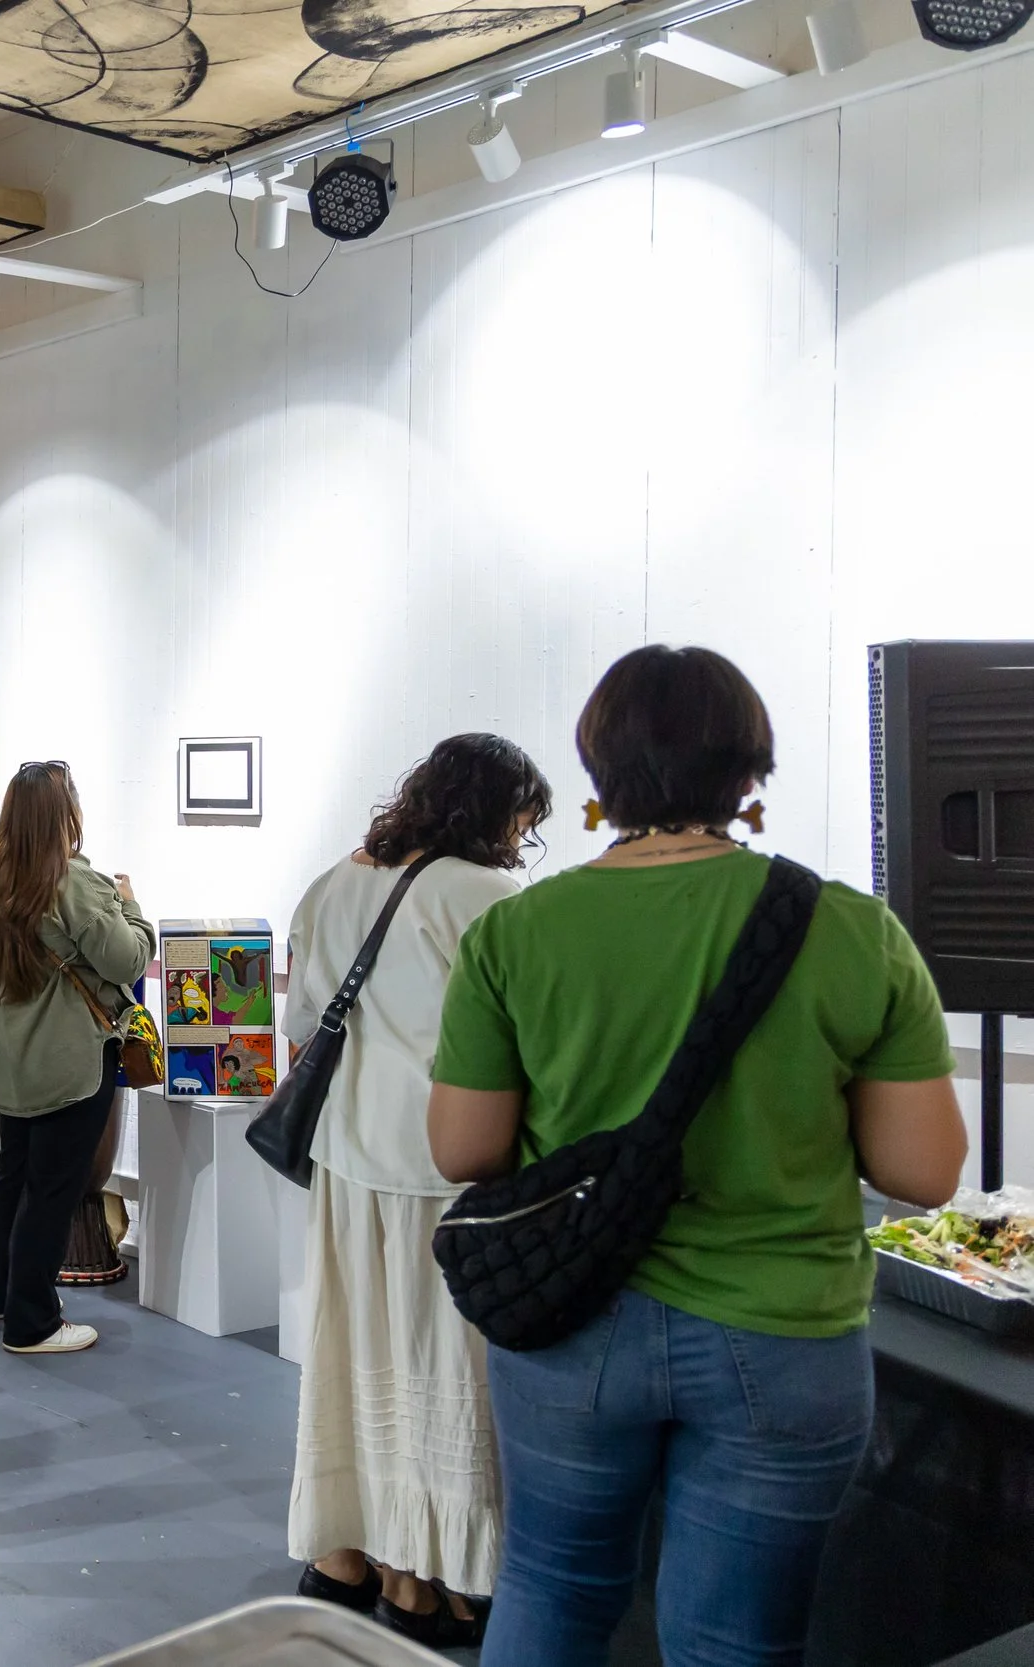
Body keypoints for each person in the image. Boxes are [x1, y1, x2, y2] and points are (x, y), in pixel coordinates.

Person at [428, 646, 968, 1667]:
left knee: (551, 1584)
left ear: (598, 769)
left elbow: (465, 1148)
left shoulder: (514, 932)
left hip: (571, 1314)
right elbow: (923, 1172)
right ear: (748, 770)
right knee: (733, 1642)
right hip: (784, 1331)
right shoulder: (854, 930)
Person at [285, 733, 553, 1648]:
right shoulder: (485, 897)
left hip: (344, 1159)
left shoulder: (335, 881)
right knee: (440, 1371)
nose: (522, 840)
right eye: (523, 820)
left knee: (350, 1355)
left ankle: (342, 1554)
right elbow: (524, 1038)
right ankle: (425, 1575)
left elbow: (301, 1019)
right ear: (496, 810)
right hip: (442, 1169)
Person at [0, 761, 155, 1355]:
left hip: (7, 1060)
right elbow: (127, 960)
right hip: (68, 1063)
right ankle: (33, 1322)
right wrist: (131, 906)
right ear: (65, 814)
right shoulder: (74, 884)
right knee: (52, 1191)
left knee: (11, 1175)